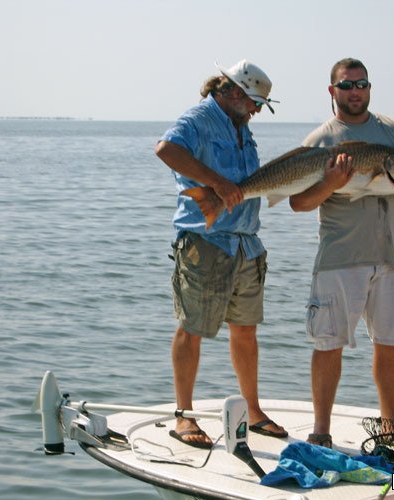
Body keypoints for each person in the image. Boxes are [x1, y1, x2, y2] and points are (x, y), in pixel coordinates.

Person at [290, 57, 394, 448]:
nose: (355, 91)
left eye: (361, 84)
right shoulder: (320, 142)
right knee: (328, 343)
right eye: (346, 85)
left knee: (390, 343)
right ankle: (321, 431)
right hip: (340, 257)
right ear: (332, 92)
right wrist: (330, 183)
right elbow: (298, 204)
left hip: (393, 254)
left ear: (369, 87)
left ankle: (391, 426)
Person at [155, 60, 287, 448]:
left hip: (247, 243)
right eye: (253, 102)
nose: (257, 111)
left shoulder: (240, 125)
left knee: (246, 331)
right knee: (191, 328)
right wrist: (216, 182)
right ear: (232, 91)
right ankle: (184, 415)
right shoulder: (198, 118)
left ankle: (254, 409)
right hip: (205, 242)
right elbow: (165, 149)